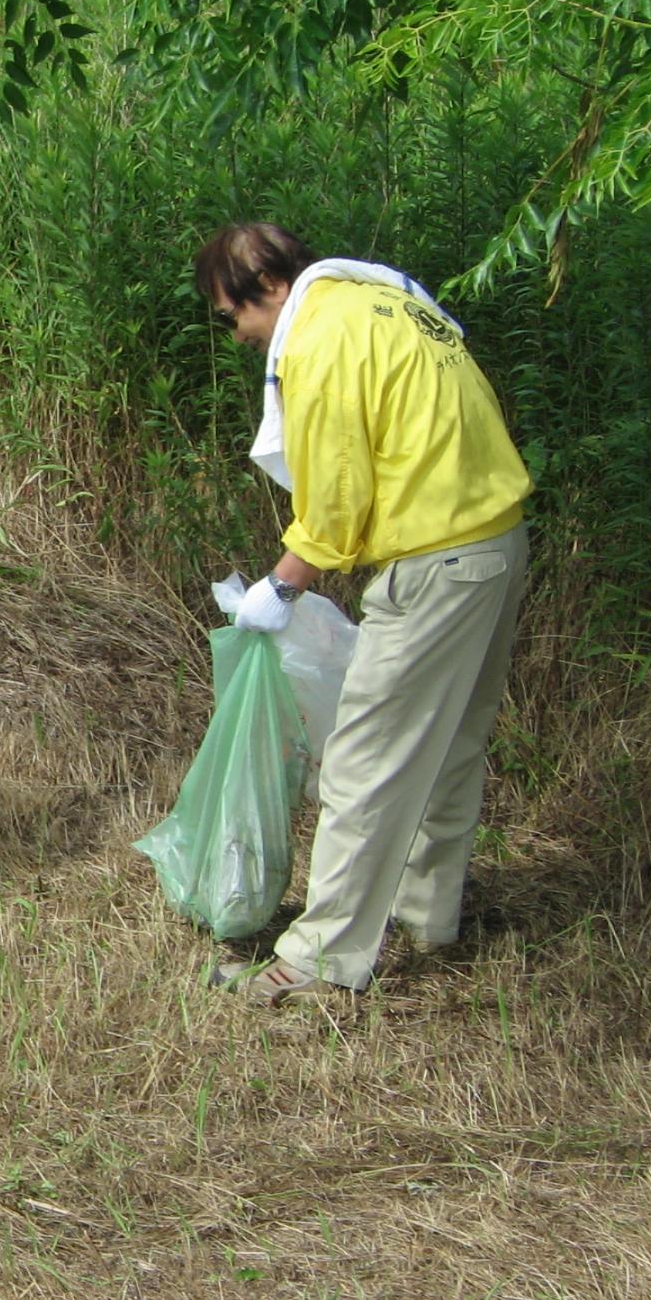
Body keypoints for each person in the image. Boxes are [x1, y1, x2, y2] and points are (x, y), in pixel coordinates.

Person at [197, 223, 533, 1001]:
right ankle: (424, 919)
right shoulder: (379, 302)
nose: (240, 335)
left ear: (267, 286)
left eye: (231, 315)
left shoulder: (318, 337)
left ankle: (318, 959)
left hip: (438, 559)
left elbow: (338, 500)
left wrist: (280, 585)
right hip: (495, 542)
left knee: (362, 762)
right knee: (450, 745)